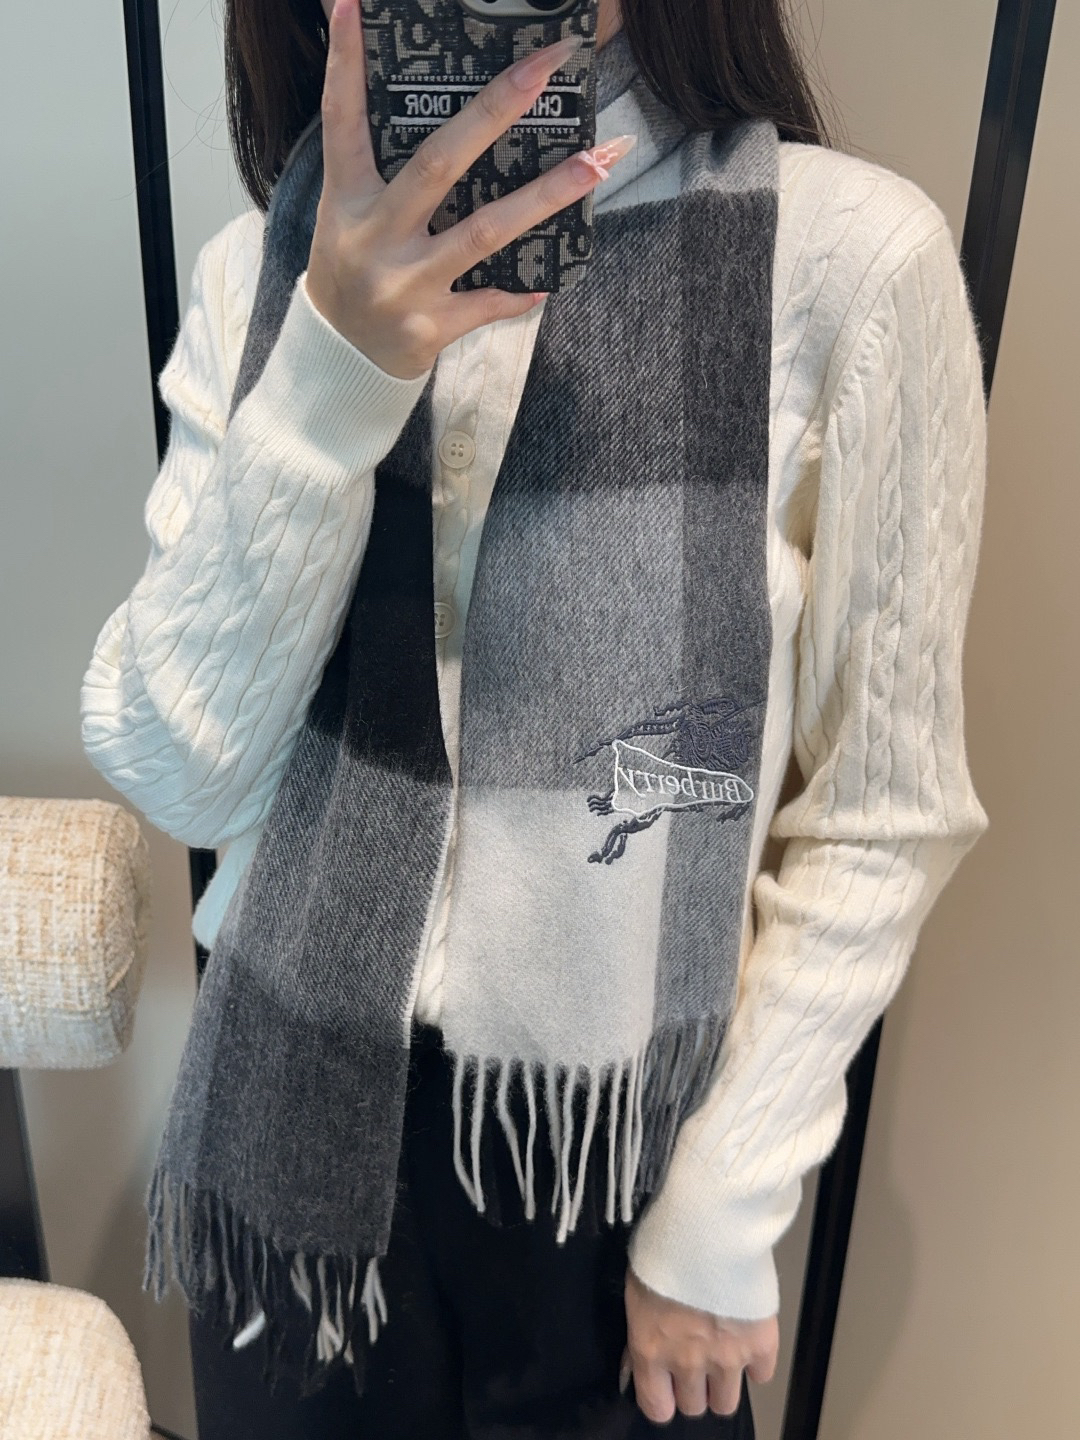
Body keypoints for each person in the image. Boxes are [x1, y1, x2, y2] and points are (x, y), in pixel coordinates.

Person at [80, 0, 990, 1436]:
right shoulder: (261, 274)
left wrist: (724, 1206)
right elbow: (179, 773)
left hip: (617, 1169)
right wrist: (330, 375)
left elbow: (884, 814)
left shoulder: (843, 260)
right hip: (295, 1134)